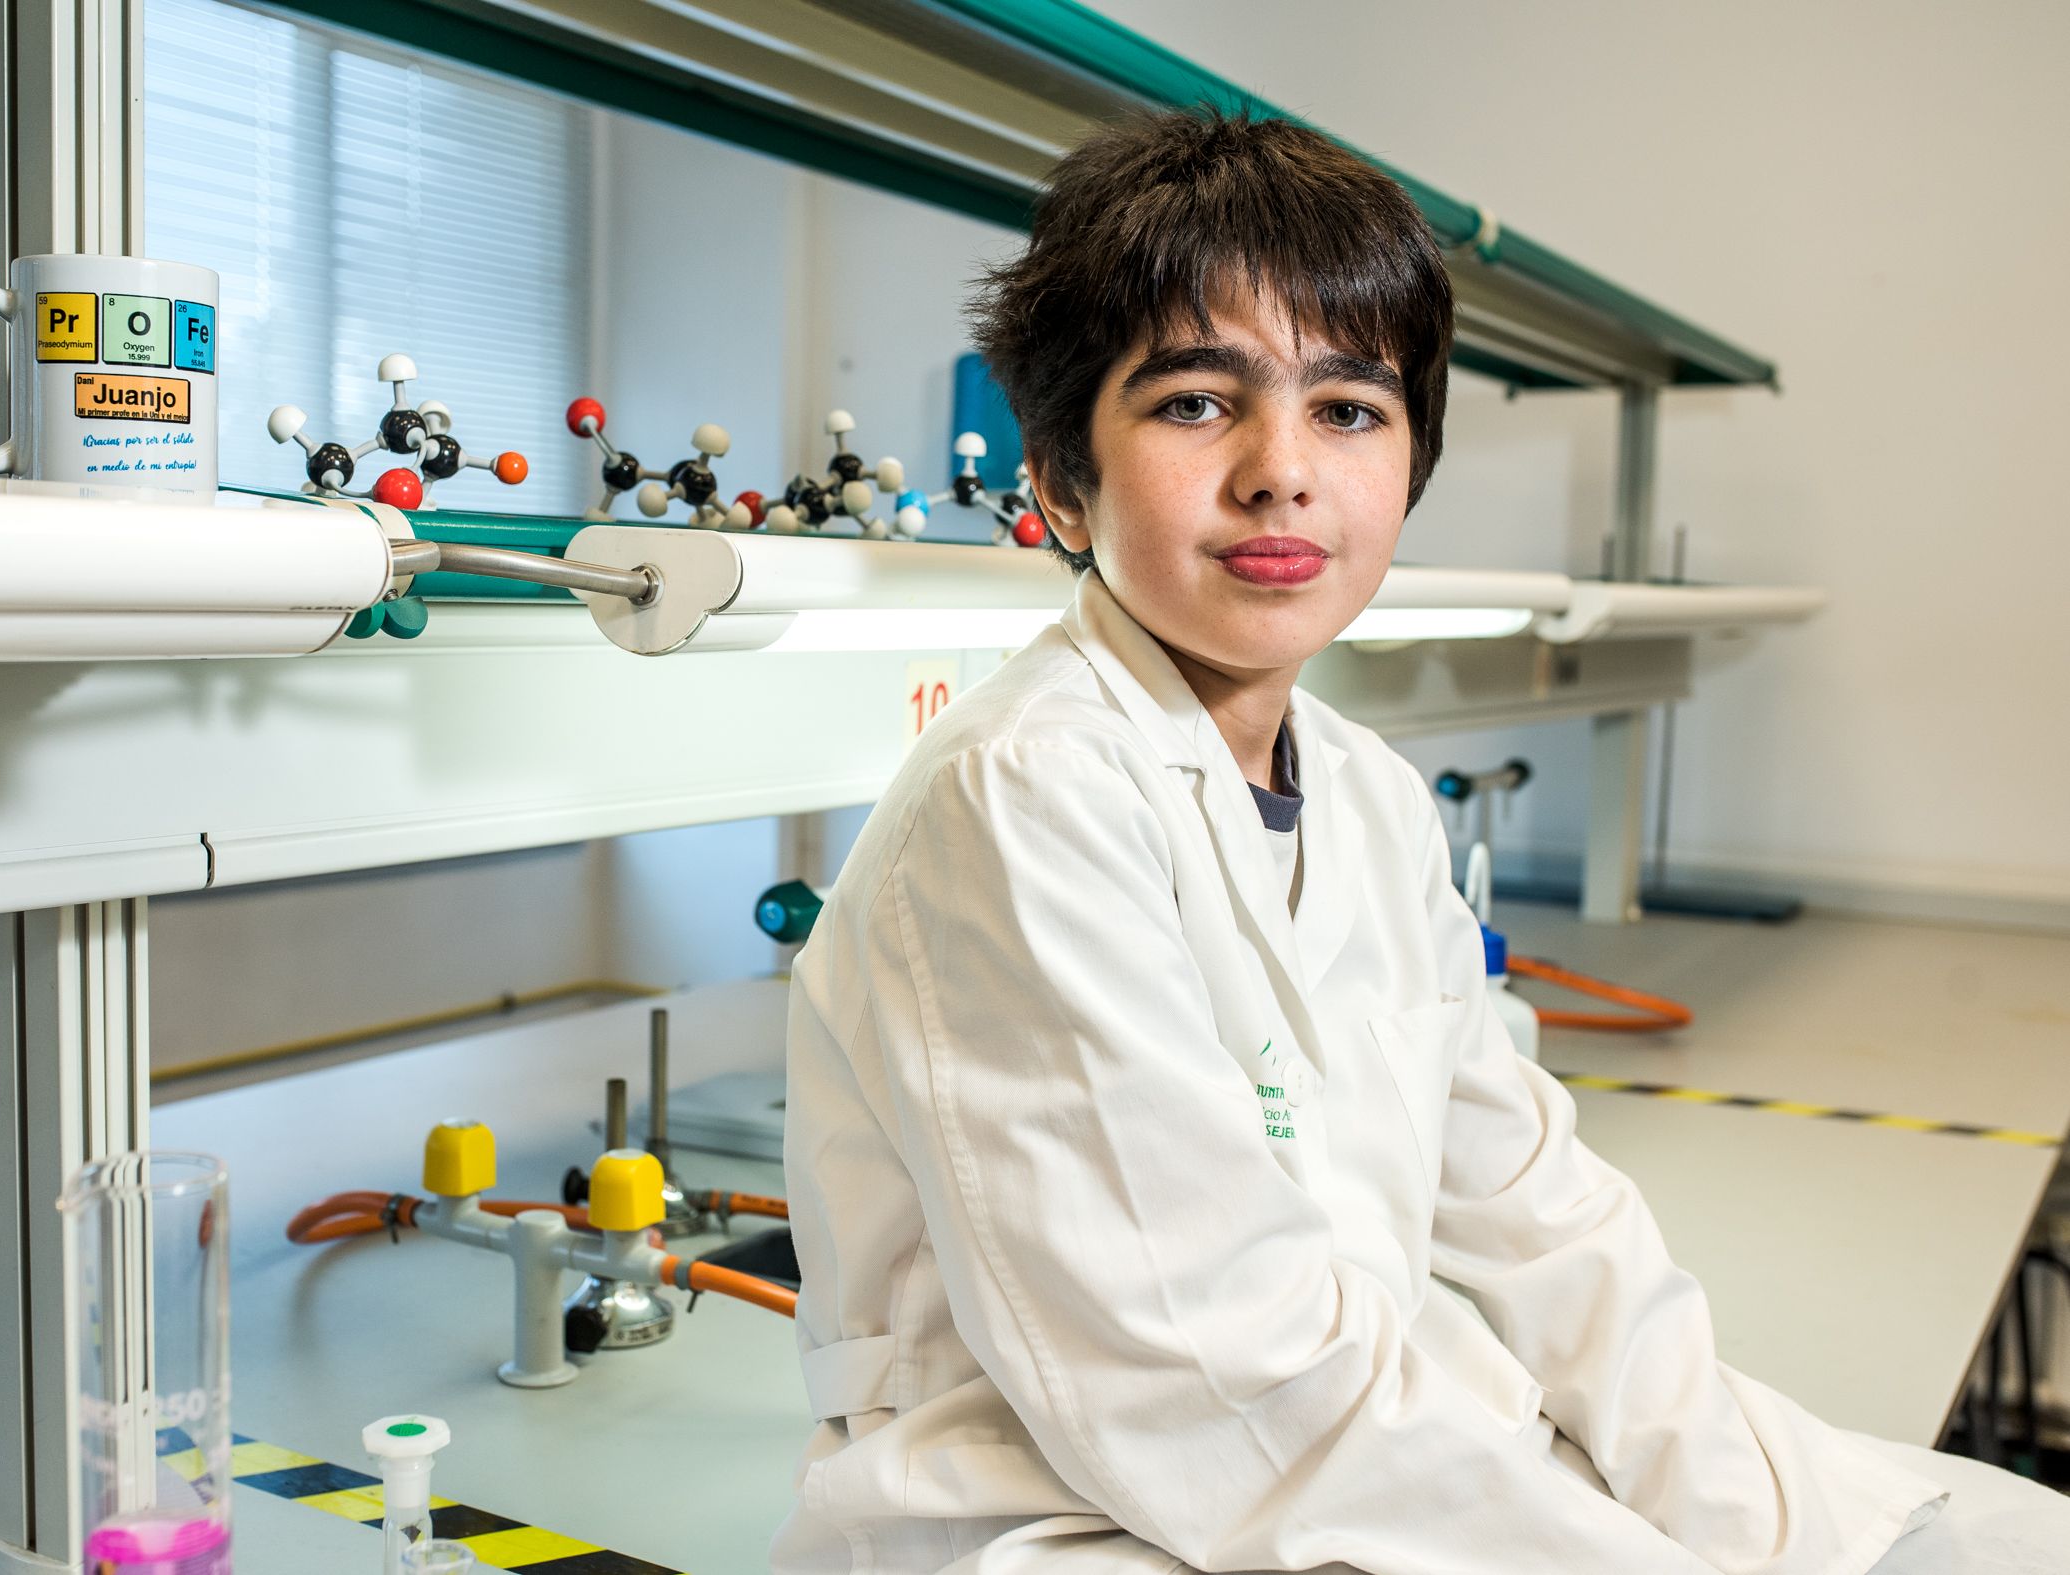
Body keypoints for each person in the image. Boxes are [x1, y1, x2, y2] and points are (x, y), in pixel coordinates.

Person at [771, 110, 2070, 1574]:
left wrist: (1764, 1514)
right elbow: (1214, 1391)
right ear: (1062, 480)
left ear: (1410, 463)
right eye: (1196, 403)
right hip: (1075, 1518)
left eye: (1349, 409)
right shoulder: (1021, 797)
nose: (1281, 471)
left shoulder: (1371, 798)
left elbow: (1542, 1220)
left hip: (1347, 1463)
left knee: (1987, 1539)